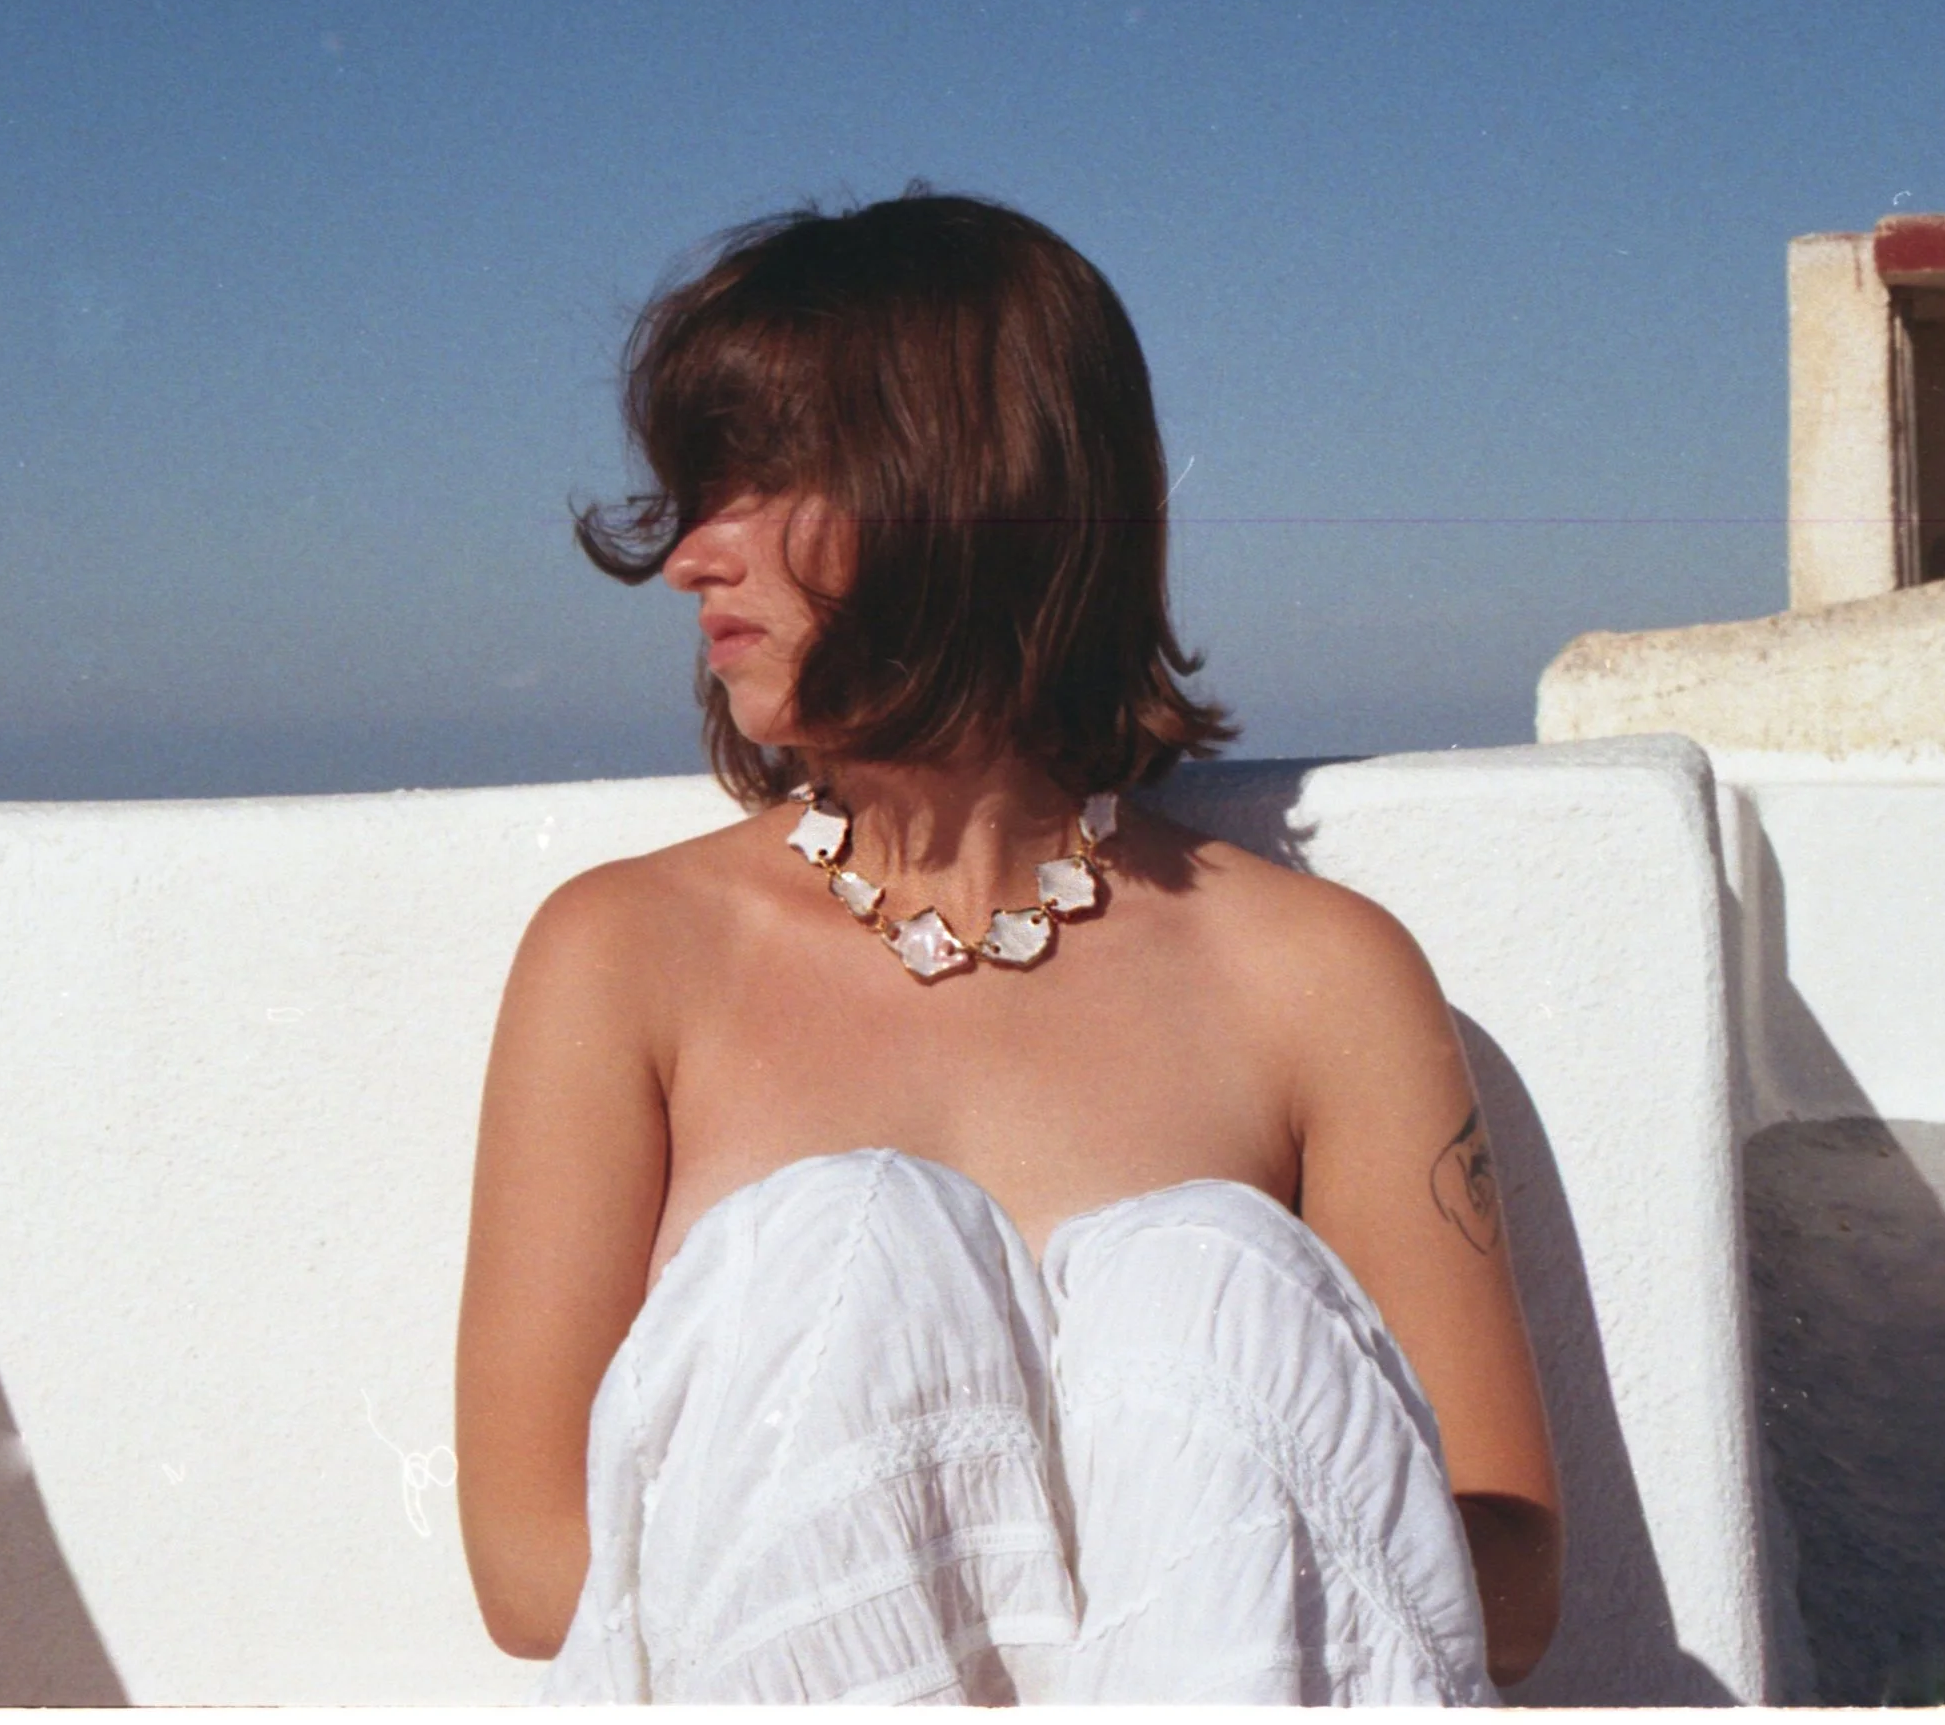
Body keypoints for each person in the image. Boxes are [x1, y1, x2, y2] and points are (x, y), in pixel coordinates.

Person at [455, 189, 1561, 1704]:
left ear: (970, 493)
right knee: (846, 1244)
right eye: (690, 493)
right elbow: (529, 1566)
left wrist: (1188, 1476)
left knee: (1199, 1277)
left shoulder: (1315, 974)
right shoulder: (630, 955)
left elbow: (1510, 1573)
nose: (687, 561)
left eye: (761, 482)